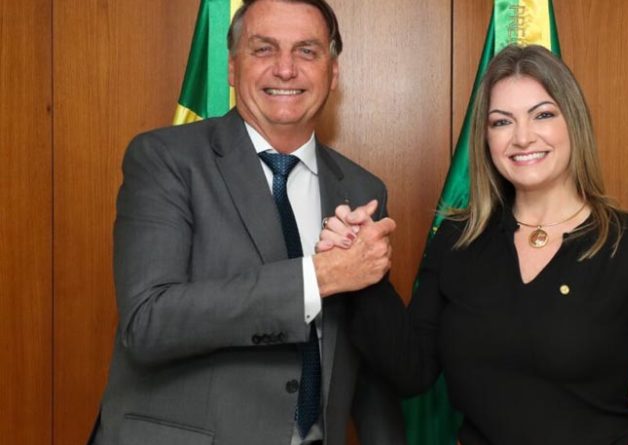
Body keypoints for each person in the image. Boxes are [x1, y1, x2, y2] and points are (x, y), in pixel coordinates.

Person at [319, 44, 628, 444]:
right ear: (486, 139)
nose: (522, 137)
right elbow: (410, 371)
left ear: (574, 123)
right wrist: (360, 269)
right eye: (502, 122)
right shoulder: (458, 238)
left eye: (543, 115)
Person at [88, 1, 406, 444]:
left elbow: (365, 360)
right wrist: (316, 279)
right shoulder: (166, 160)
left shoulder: (361, 188)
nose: (285, 69)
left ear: (333, 72)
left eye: (307, 51)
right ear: (233, 68)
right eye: (264, 49)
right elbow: (148, 322)